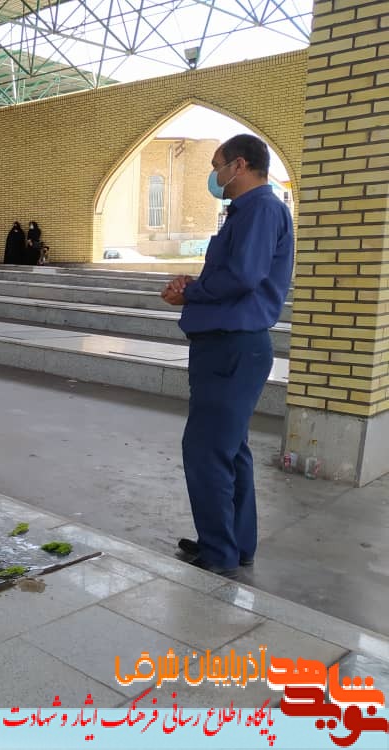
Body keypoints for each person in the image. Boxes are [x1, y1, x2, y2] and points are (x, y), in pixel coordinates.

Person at [162, 134, 294, 579]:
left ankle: (219, 552)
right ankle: (234, 543)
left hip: (231, 347)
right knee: (230, 449)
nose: (214, 174)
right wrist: (194, 286)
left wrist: (192, 293)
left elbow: (243, 276)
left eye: (217, 164)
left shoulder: (260, 209)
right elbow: (235, 274)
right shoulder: (249, 211)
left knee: (206, 449)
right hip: (229, 344)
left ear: (239, 165)